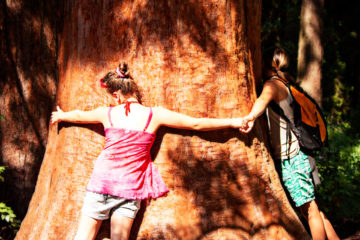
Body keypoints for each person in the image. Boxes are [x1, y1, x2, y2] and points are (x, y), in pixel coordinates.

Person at [51, 63, 245, 240]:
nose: (111, 103)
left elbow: (79, 116)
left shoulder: (107, 113)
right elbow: (196, 123)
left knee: (83, 237)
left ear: (117, 95)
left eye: (110, 99)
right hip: (130, 190)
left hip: (101, 185)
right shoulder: (154, 115)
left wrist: (61, 115)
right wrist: (233, 122)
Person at [238, 47, 339, 240]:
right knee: (313, 209)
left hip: (292, 158)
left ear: (266, 64)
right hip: (299, 155)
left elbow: (261, 102)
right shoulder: (285, 82)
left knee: (310, 211)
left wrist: (248, 118)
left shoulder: (272, 85)